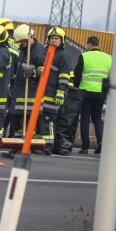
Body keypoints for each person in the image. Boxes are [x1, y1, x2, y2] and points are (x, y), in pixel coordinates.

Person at [7, 24, 47, 139]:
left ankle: (25, 148)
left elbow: (44, 71)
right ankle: (17, 146)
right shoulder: (24, 50)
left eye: (23, 42)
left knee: (26, 125)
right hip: (20, 94)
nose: (21, 45)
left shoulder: (38, 52)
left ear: (29, 39)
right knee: (16, 122)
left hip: (30, 96)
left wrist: (33, 73)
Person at [74, 36, 112, 154]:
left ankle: (85, 147)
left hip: (85, 92)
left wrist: (76, 88)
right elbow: (111, 76)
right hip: (101, 92)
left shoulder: (85, 56)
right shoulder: (108, 57)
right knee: (97, 117)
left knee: (85, 118)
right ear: (98, 44)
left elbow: (77, 75)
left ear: (89, 44)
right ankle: (100, 140)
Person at [38, 27, 72, 155]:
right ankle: (38, 145)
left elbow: (64, 76)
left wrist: (61, 92)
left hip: (53, 93)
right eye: (52, 38)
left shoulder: (63, 56)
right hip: (41, 92)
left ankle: (48, 146)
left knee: (48, 119)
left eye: (56, 38)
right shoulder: (44, 52)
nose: (54, 40)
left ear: (62, 40)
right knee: (39, 119)